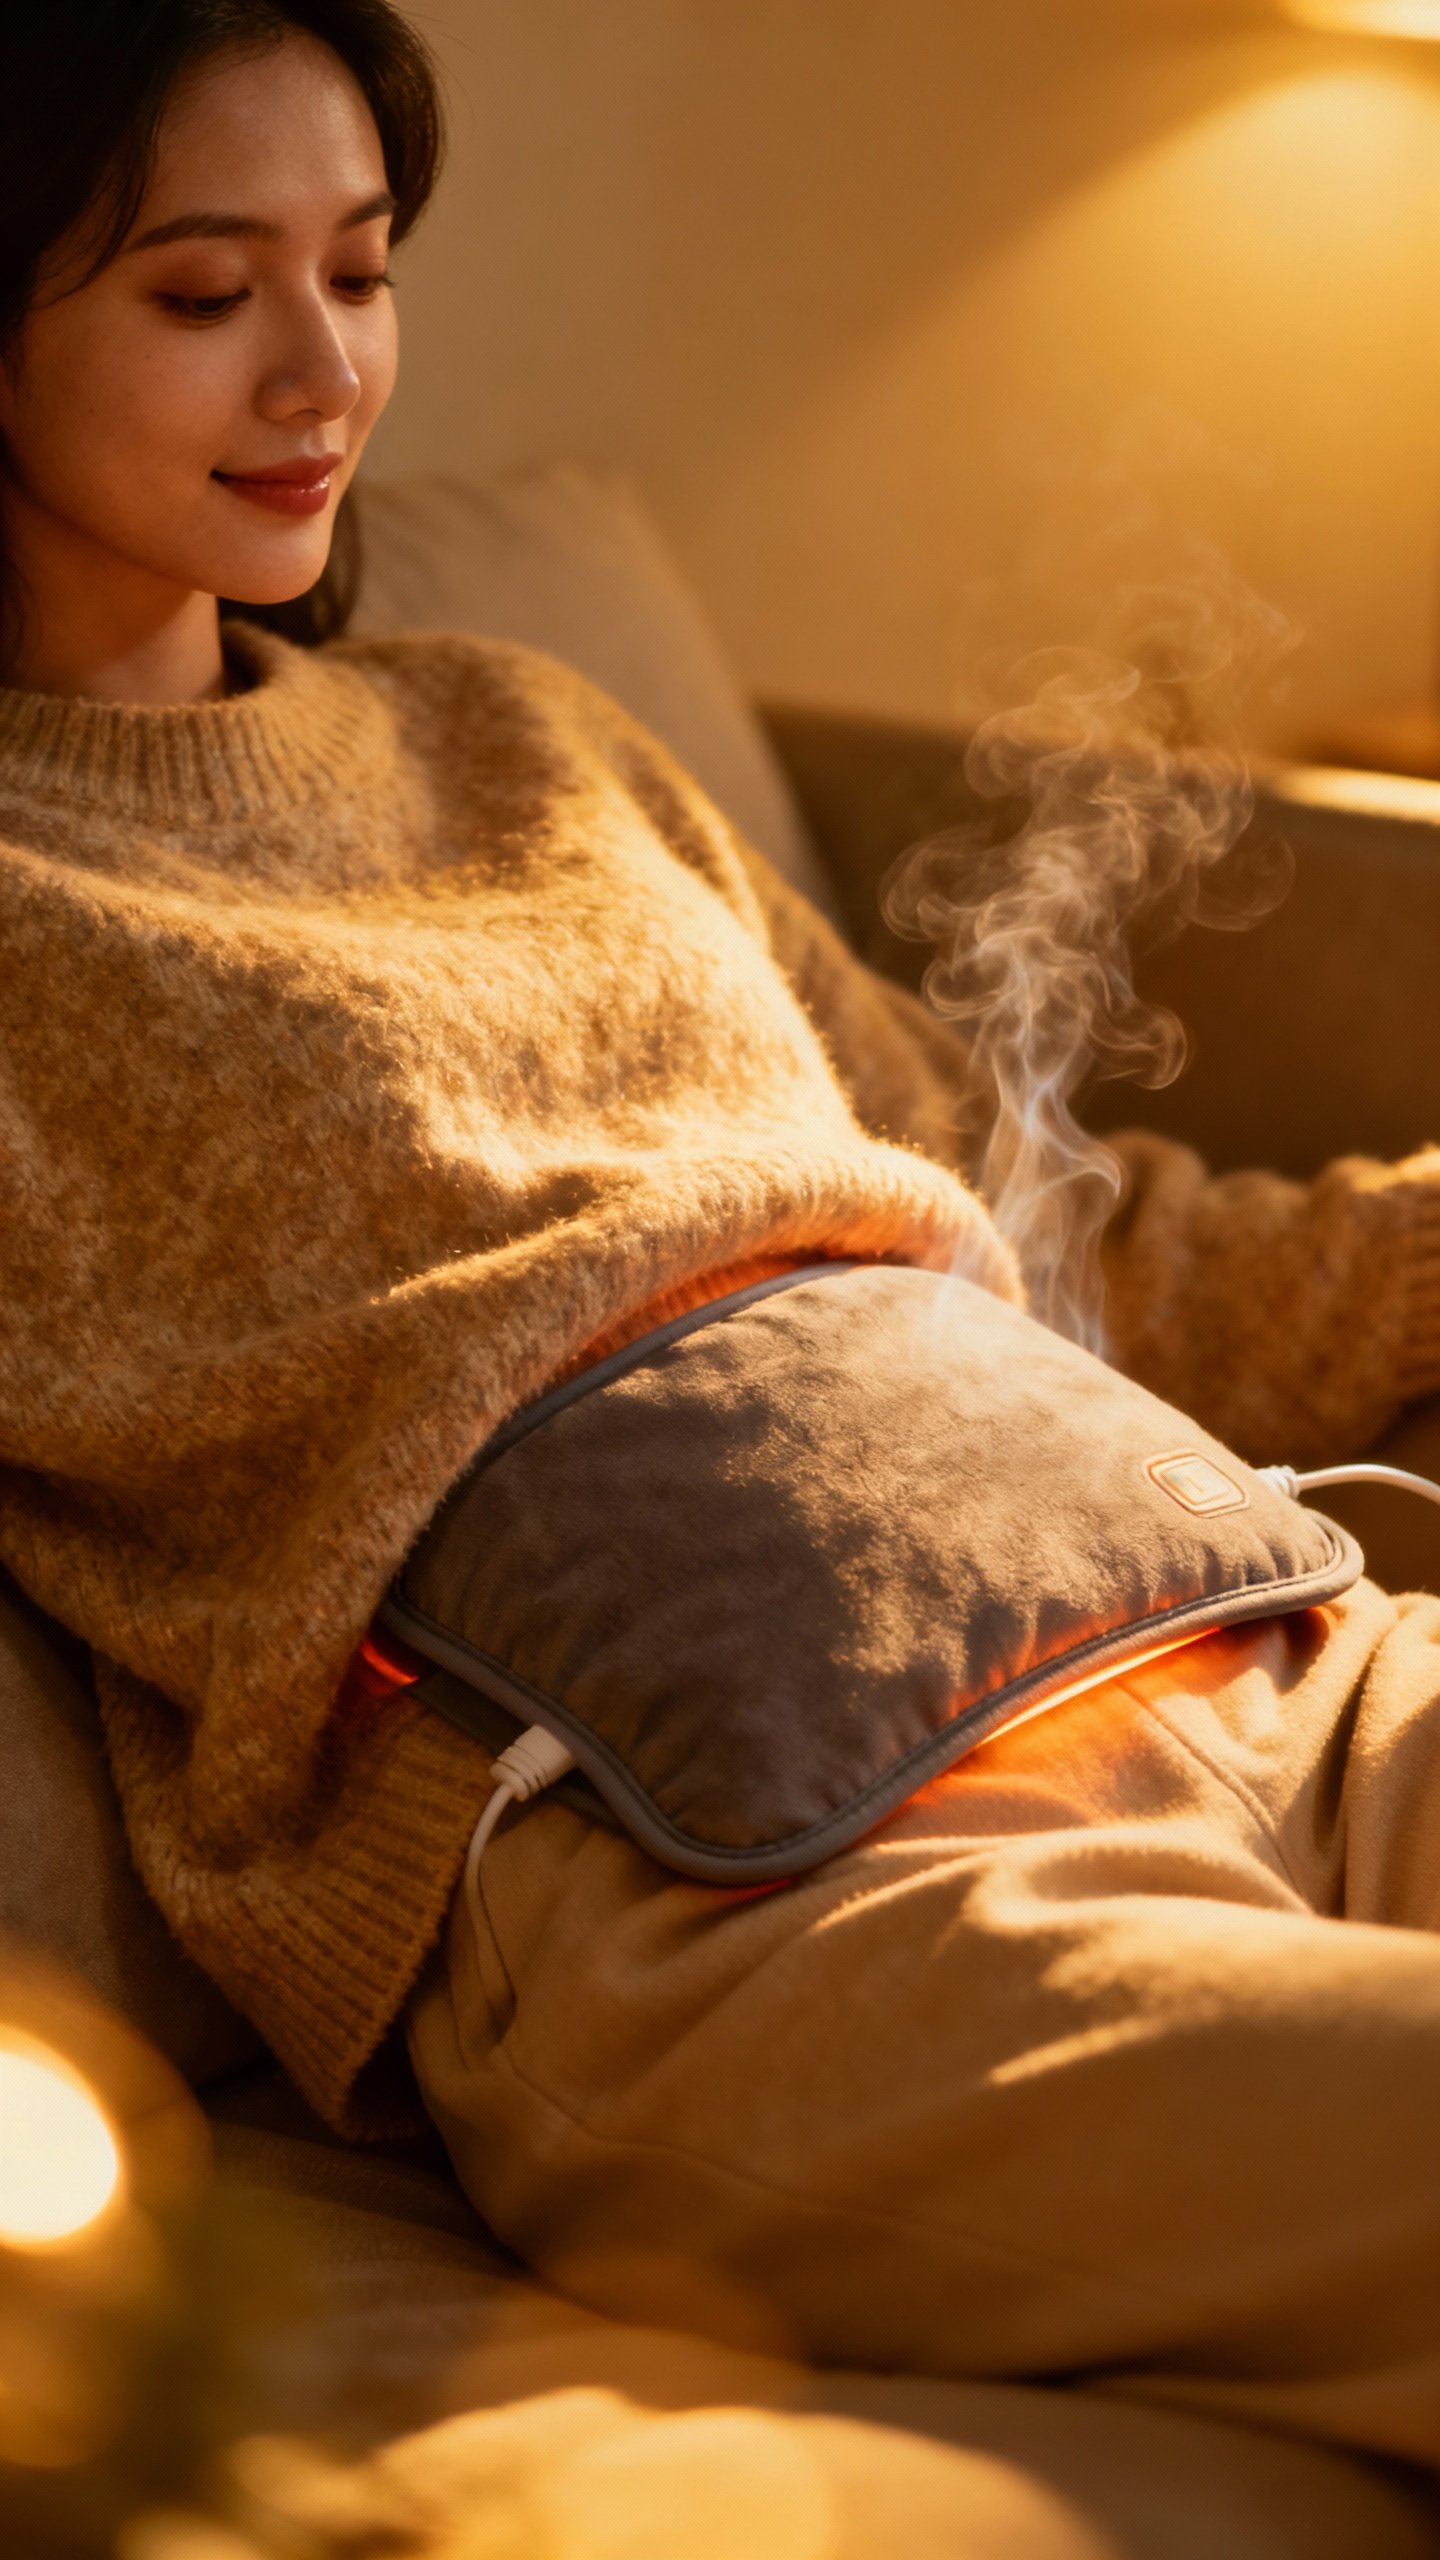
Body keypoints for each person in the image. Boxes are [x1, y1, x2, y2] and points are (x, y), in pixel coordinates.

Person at [5, 0, 1440, 2475]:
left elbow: (1041, 1210)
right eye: (202, 290)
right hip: (747, 1882)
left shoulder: (524, 736)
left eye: (361, 269)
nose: (322, 368)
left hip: (1254, 1638)